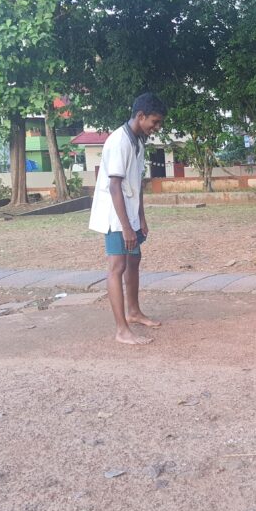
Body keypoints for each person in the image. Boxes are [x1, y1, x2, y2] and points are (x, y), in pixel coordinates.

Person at [88, 93, 165, 345]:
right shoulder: (118, 141)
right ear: (140, 116)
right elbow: (114, 188)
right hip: (115, 216)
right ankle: (121, 330)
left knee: (135, 259)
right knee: (117, 266)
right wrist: (125, 227)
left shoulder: (138, 142)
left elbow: (137, 184)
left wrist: (140, 218)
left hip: (130, 214)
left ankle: (133, 312)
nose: (156, 128)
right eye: (154, 122)